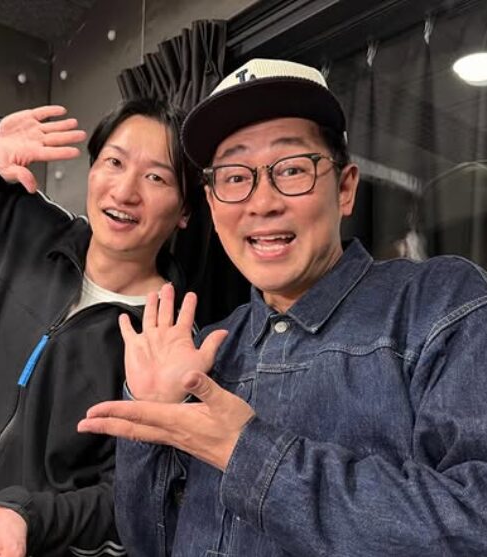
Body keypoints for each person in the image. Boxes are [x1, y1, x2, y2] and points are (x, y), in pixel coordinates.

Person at [78, 58, 487, 556]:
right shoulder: (210, 349)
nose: (262, 202)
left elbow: (475, 521)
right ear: (211, 203)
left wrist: (249, 455)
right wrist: (153, 426)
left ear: (345, 188)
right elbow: (149, 543)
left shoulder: (439, 304)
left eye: (292, 169)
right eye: (234, 177)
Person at [0, 97, 193, 556]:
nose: (125, 191)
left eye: (156, 177)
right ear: (93, 170)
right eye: (114, 162)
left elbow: (133, 498)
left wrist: (26, 519)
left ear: (185, 210)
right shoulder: (23, 229)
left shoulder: (172, 340)